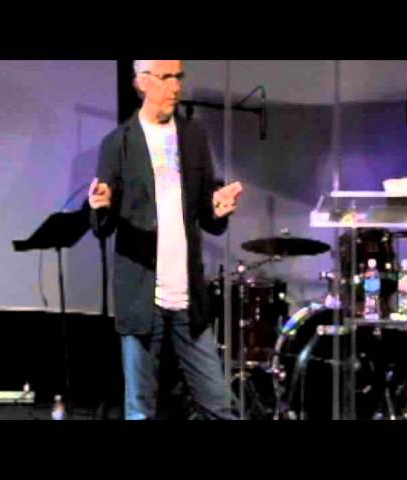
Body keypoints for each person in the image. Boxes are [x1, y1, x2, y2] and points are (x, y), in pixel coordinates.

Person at [89, 60, 243, 420]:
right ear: (142, 82)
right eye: (165, 77)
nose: (175, 86)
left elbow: (207, 213)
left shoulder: (193, 137)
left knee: (219, 404)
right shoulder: (118, 143)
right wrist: (101, 207)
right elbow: (102, 225)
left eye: (178, 77)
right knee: (140, 409)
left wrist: (218, 209)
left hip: (188, 296)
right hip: (142, 296)